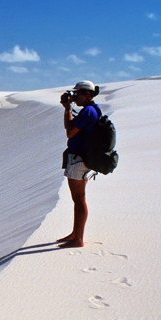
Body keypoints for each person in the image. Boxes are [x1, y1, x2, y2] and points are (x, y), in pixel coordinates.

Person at [58, 80, 101, 248]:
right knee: (78, 199)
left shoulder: (88, 111)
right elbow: (71, 129)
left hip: (79, 160)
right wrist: (67, 108)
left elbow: (69, 132)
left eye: (78, 93)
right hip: (80, 158)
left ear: (87, 94)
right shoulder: (90, 110)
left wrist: (68, 109)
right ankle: (75, 234)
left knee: (79, 199)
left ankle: (78, 239)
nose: (75, 96)